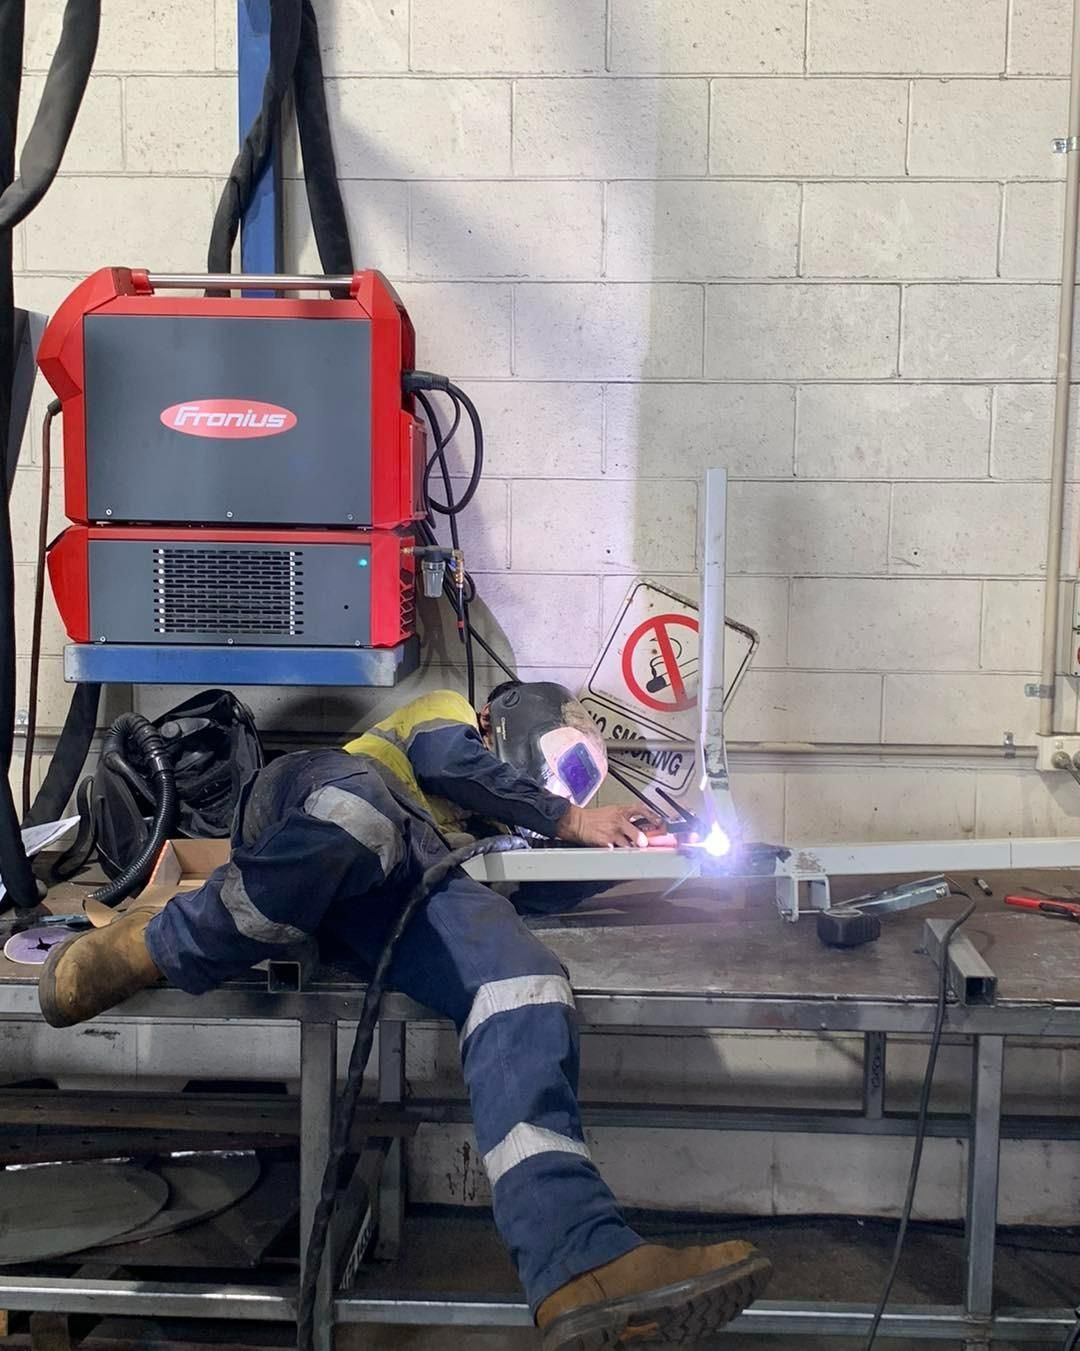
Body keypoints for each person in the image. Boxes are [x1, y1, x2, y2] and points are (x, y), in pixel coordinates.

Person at [38, 681, 771, 1349]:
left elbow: (539, 883)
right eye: (553, 771)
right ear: (505, 728)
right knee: (362, 820)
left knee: (525, 981)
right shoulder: (450, 715)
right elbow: (447, 760)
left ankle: (579, 1262)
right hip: (313, 797)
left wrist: (644, 849)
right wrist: (570, 817)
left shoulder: (489, 836)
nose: (554, 791)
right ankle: (149, 946)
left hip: (400, 884)